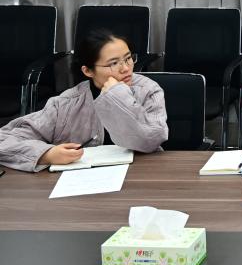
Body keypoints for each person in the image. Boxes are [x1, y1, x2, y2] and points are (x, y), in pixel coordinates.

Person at [0, 28, 168, 172]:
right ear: (88, 71)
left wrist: (119, 96)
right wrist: (46, 154)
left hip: (143, 174)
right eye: (114, 63)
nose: (126, 68)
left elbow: (151, 140)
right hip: (84, 183)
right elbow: (4, 139)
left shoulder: (148, 90)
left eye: (128, 58)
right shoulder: (67, 103)